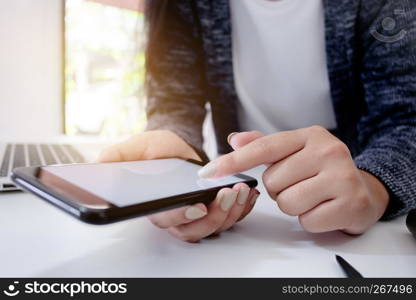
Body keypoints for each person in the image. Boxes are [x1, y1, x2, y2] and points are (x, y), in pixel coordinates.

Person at [99, 0, 416, 242]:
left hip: (349, 220)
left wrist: (372, 186)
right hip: (244, 219)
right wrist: (172, 150)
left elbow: (406, 118)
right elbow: (174, 103)